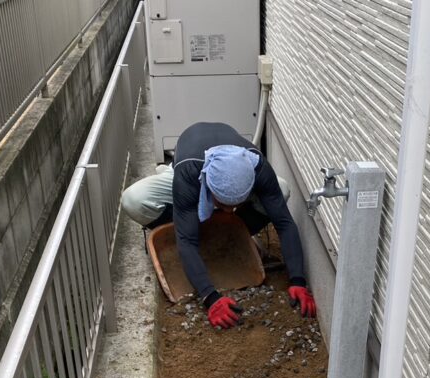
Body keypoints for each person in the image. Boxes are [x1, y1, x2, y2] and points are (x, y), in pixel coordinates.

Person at [120, 122, 316, 329]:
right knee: (133, 199)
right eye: (222, 204)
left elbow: (284, 223)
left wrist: (298, 280)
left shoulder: (259, 168)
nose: (229, 211)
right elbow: (185, 240)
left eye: (235, 206)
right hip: (191, 168)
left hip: (232, 164)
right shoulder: (189, 173)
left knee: (282, 189)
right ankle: (187, 210)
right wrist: (210, 298)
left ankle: (226, 230)